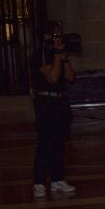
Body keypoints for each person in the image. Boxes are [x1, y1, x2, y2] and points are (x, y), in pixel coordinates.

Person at [30, 21, 76, 198]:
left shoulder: (58, 54)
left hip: (60, 102)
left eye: (59, 34)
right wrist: (57, 56)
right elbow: (52, 77)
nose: (58, 38)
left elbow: (70, 77)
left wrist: (64, 58)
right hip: (45, 102)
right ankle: (39, 181)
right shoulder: (39, 55)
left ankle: (58, 179)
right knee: (45, 142)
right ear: (46, 37)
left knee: (59, 142)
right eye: (55, 35)